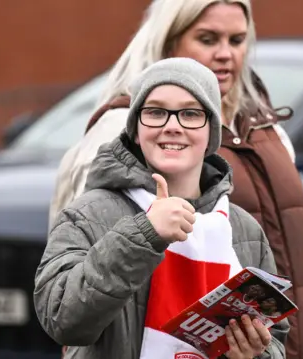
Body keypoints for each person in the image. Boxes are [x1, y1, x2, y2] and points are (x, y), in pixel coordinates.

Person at [48, 0, 303, 358]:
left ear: (212, 133)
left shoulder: (264, 130)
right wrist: (143, 232)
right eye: (207, 38)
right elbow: (69, 317)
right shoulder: (109, 155)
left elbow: (294, 250)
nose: (225, 54)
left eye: (236, 40)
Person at [34, 57, 288, 359]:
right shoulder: (89, 214)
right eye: (155, 112)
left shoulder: (244, 230)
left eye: (191, 114)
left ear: (211, 133)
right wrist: (144, 234)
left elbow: (275, 340)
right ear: (136, 130)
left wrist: (255, 354)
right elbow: (61, 318)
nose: (172, 126)